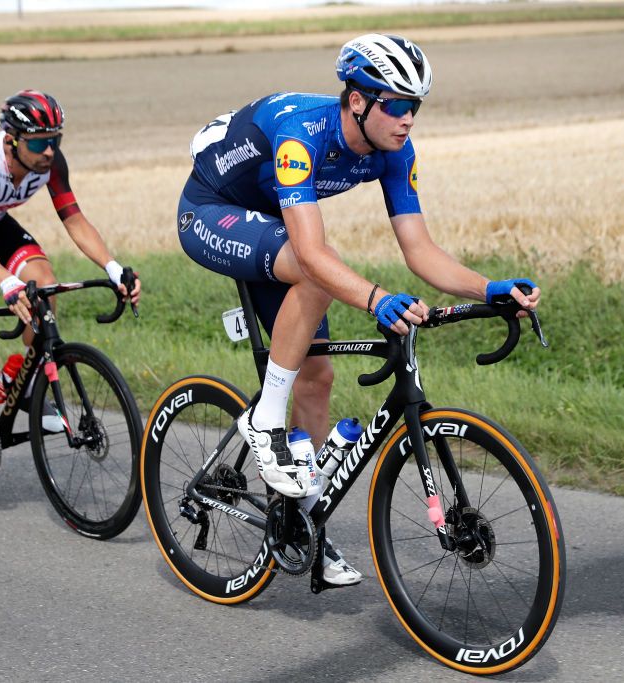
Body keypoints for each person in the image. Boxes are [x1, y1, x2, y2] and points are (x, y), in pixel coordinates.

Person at [178, 34, 540, 585]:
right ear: (357, 101)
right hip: (213, 209)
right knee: (316, 267)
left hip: (271, 223)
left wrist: (488, 288)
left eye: (414, 106)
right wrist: (376, 297)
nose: (407, 119)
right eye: (395, 104)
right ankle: (263, 419)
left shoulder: (396, 152)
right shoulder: (303, 135)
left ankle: (303, 526)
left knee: (318, 376)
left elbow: (420, 251)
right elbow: (311, 254)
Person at [0, 89, 141, 470]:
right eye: (39, 142)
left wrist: (113, 268)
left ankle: (29, 383)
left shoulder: (49, 162)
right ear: (12, 140)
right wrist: (6, 283)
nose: (49, 150)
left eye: (55, 140)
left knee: (44, 284)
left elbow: (74, 219)